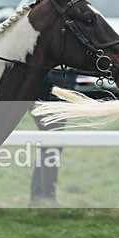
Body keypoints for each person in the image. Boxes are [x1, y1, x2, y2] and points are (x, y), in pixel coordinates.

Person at [29, 70, 76, 207]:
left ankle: (39, 195)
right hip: (49, 95)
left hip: (56, 94)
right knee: (52, 145)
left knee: (50, 145)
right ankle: (46, 196)